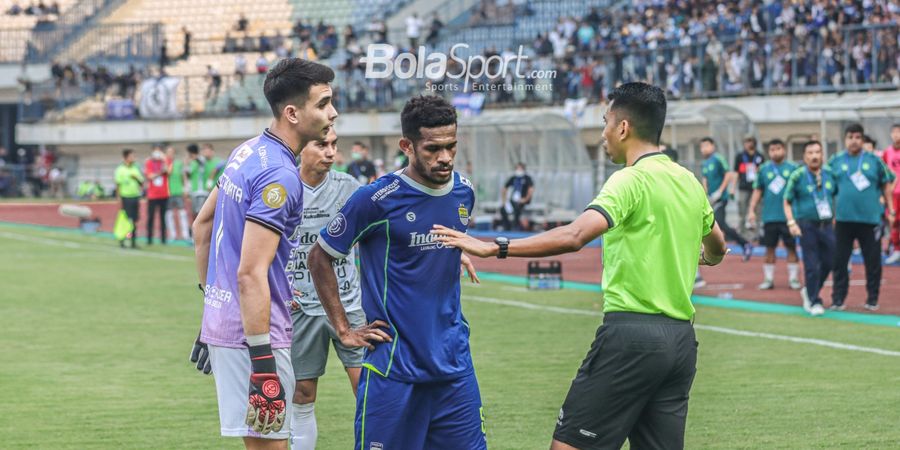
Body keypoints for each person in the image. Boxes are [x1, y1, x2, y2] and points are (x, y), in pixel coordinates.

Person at [432, 82, 728, 450]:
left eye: (605, 121)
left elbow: (575, 235)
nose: (602, 132)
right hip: (681, 342)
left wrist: (495, 248)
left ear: (623, 128)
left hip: (631, 336)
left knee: (569, 446)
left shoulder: (628, 180)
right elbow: (718, 245)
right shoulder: (688, 180)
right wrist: (702, 258)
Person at [189, 58, 382, 449]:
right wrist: (263, 361)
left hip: (231, 325)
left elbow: (202, 228)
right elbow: (250, 273)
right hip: (258, 338)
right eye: (324, 103)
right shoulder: (281, 175)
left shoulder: (247, 152)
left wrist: (214, 311)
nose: (334, 113)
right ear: (293, 113)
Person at [308, 95, 483, 449]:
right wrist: (343, 329)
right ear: (407, 146)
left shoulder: (464, 192)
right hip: (393, 370)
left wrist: (458, 253)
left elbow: (438, 243)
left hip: (454, 365)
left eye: (451, 146)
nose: (445, 157)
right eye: (433, 148)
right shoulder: (377, 199)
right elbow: (319, 257)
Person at [286, 128, 364, 450]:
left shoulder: (351, 189)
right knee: (302, 392)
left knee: (368, 390)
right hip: (302, 308)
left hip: (349, 304)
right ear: (302, 148)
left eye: (334, 145)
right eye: (321, 145)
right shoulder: (283, 188)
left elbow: (381, 233)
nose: (330, 152)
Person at [827, 123, 895, 311]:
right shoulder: (835, 161)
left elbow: (887, 183)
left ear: (862, 139)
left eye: (858, 137)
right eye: (850, 137)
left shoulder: (874, 161)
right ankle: (838, 299)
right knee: (840, 261)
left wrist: (891, 209)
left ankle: (872, 299)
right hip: (843, 220)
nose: (854, 141)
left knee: (872, 261)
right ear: (845, 139)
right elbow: (828, 188)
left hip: (870, 220)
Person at [783, 141, 838, 316]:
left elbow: (835, 196)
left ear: (822, 155)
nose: (814, 156)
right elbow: (787, 201)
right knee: (811, 264)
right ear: (805, 156)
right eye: (810, 153)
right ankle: (814, 300)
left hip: (827, 225)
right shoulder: (797, 176)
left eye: (817, 152)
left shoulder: (830, 174)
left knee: (831, 261)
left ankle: (809, 290)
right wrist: (791, 223)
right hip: (807, 226)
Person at [747, 139, 801, 290]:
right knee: (769, 249)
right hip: (769, 217)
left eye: (778, 148)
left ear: (784, 149)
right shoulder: (763, 169)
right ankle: (768, 279)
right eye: (772, 149)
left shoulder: (794, 168)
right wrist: (751, 210)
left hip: (789, 218)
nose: (775, 152)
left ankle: (794, 279)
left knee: (791, 248)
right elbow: (757, 190)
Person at [701, 136, 752, 261]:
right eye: (702, 147)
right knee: (714, 223)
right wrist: (705, 194)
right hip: (710, 199)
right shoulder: (705, 163)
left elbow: (729, 174)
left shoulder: (718, 158)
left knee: (719, 223)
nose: (704, 149)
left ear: (712, 146)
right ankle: (713, 249)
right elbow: (705, 179)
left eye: (706, 145)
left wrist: (720, 191)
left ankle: (744, 244)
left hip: (720, 198)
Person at [734, 135, 766, 236]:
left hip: (756, 188)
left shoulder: (760, 156)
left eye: (750, 141)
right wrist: (733, 188)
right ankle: (742, 233)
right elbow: (736, 173)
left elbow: (763, 172)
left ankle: (757, 234)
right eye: (746, 142)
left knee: (758, 210)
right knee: (742, 210)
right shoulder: (740, 156)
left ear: (754, 143)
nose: (748, 144)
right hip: (743, 187)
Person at [114, 149, 143, 248]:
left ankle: (133, 241)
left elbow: (141, 182)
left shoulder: (135, 168)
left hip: (135, 197)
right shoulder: (120, 170)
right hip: (125, 198)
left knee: (134, 220)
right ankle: (124, 239)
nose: (133, 158)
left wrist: (136, 178)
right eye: (131, 156)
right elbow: (118, 185)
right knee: (126, 220)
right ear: (126, 157)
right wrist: (119, 199)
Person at [144, 146, 169, 245]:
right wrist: (160, 173)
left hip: (164, 194)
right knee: (151, 217)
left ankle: (163, 239)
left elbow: (167, 171)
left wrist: (164, 159)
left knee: (163, 218)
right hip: (152, 195)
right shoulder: (149, 163)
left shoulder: (163, 162)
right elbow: (150, 176)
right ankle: (149, 239)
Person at [882, 124, 900, 264]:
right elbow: (882, 173)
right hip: (892, 194)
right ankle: (896, 249)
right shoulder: (887, 152)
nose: (896, 135)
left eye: (898, 132)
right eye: (894, 132)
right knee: (893, 222)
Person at [165, 145, 190, 241]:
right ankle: (172, 235)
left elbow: (183, 176)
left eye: (172, 152)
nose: (170, 154)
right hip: (168, 193)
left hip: (178, 191)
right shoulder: (165, 164)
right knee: (169, 214)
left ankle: (185, 235)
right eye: (168, 152)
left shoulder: (179, 164)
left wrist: (185, 189)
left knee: (182, 213)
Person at [500, 162, 535, 231]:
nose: (518, 170)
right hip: (513, 200)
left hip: (523, 201)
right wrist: (504, 200)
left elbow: (531, 190)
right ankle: (507, 227)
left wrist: (525, 199)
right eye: (517, 168)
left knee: (517, 207)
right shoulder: (513, 178)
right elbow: (504, 189)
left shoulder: (527, 178)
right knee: (503, 209)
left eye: (520, 168)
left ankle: (515, 226)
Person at [186, 143, 207, 218]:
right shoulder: (191, 162)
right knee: (194, 212)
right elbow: (188, 174)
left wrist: (194, 157)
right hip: (194, 190)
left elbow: (200, 162)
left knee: (201, 212)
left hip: (201, 190)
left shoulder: (201, 159)